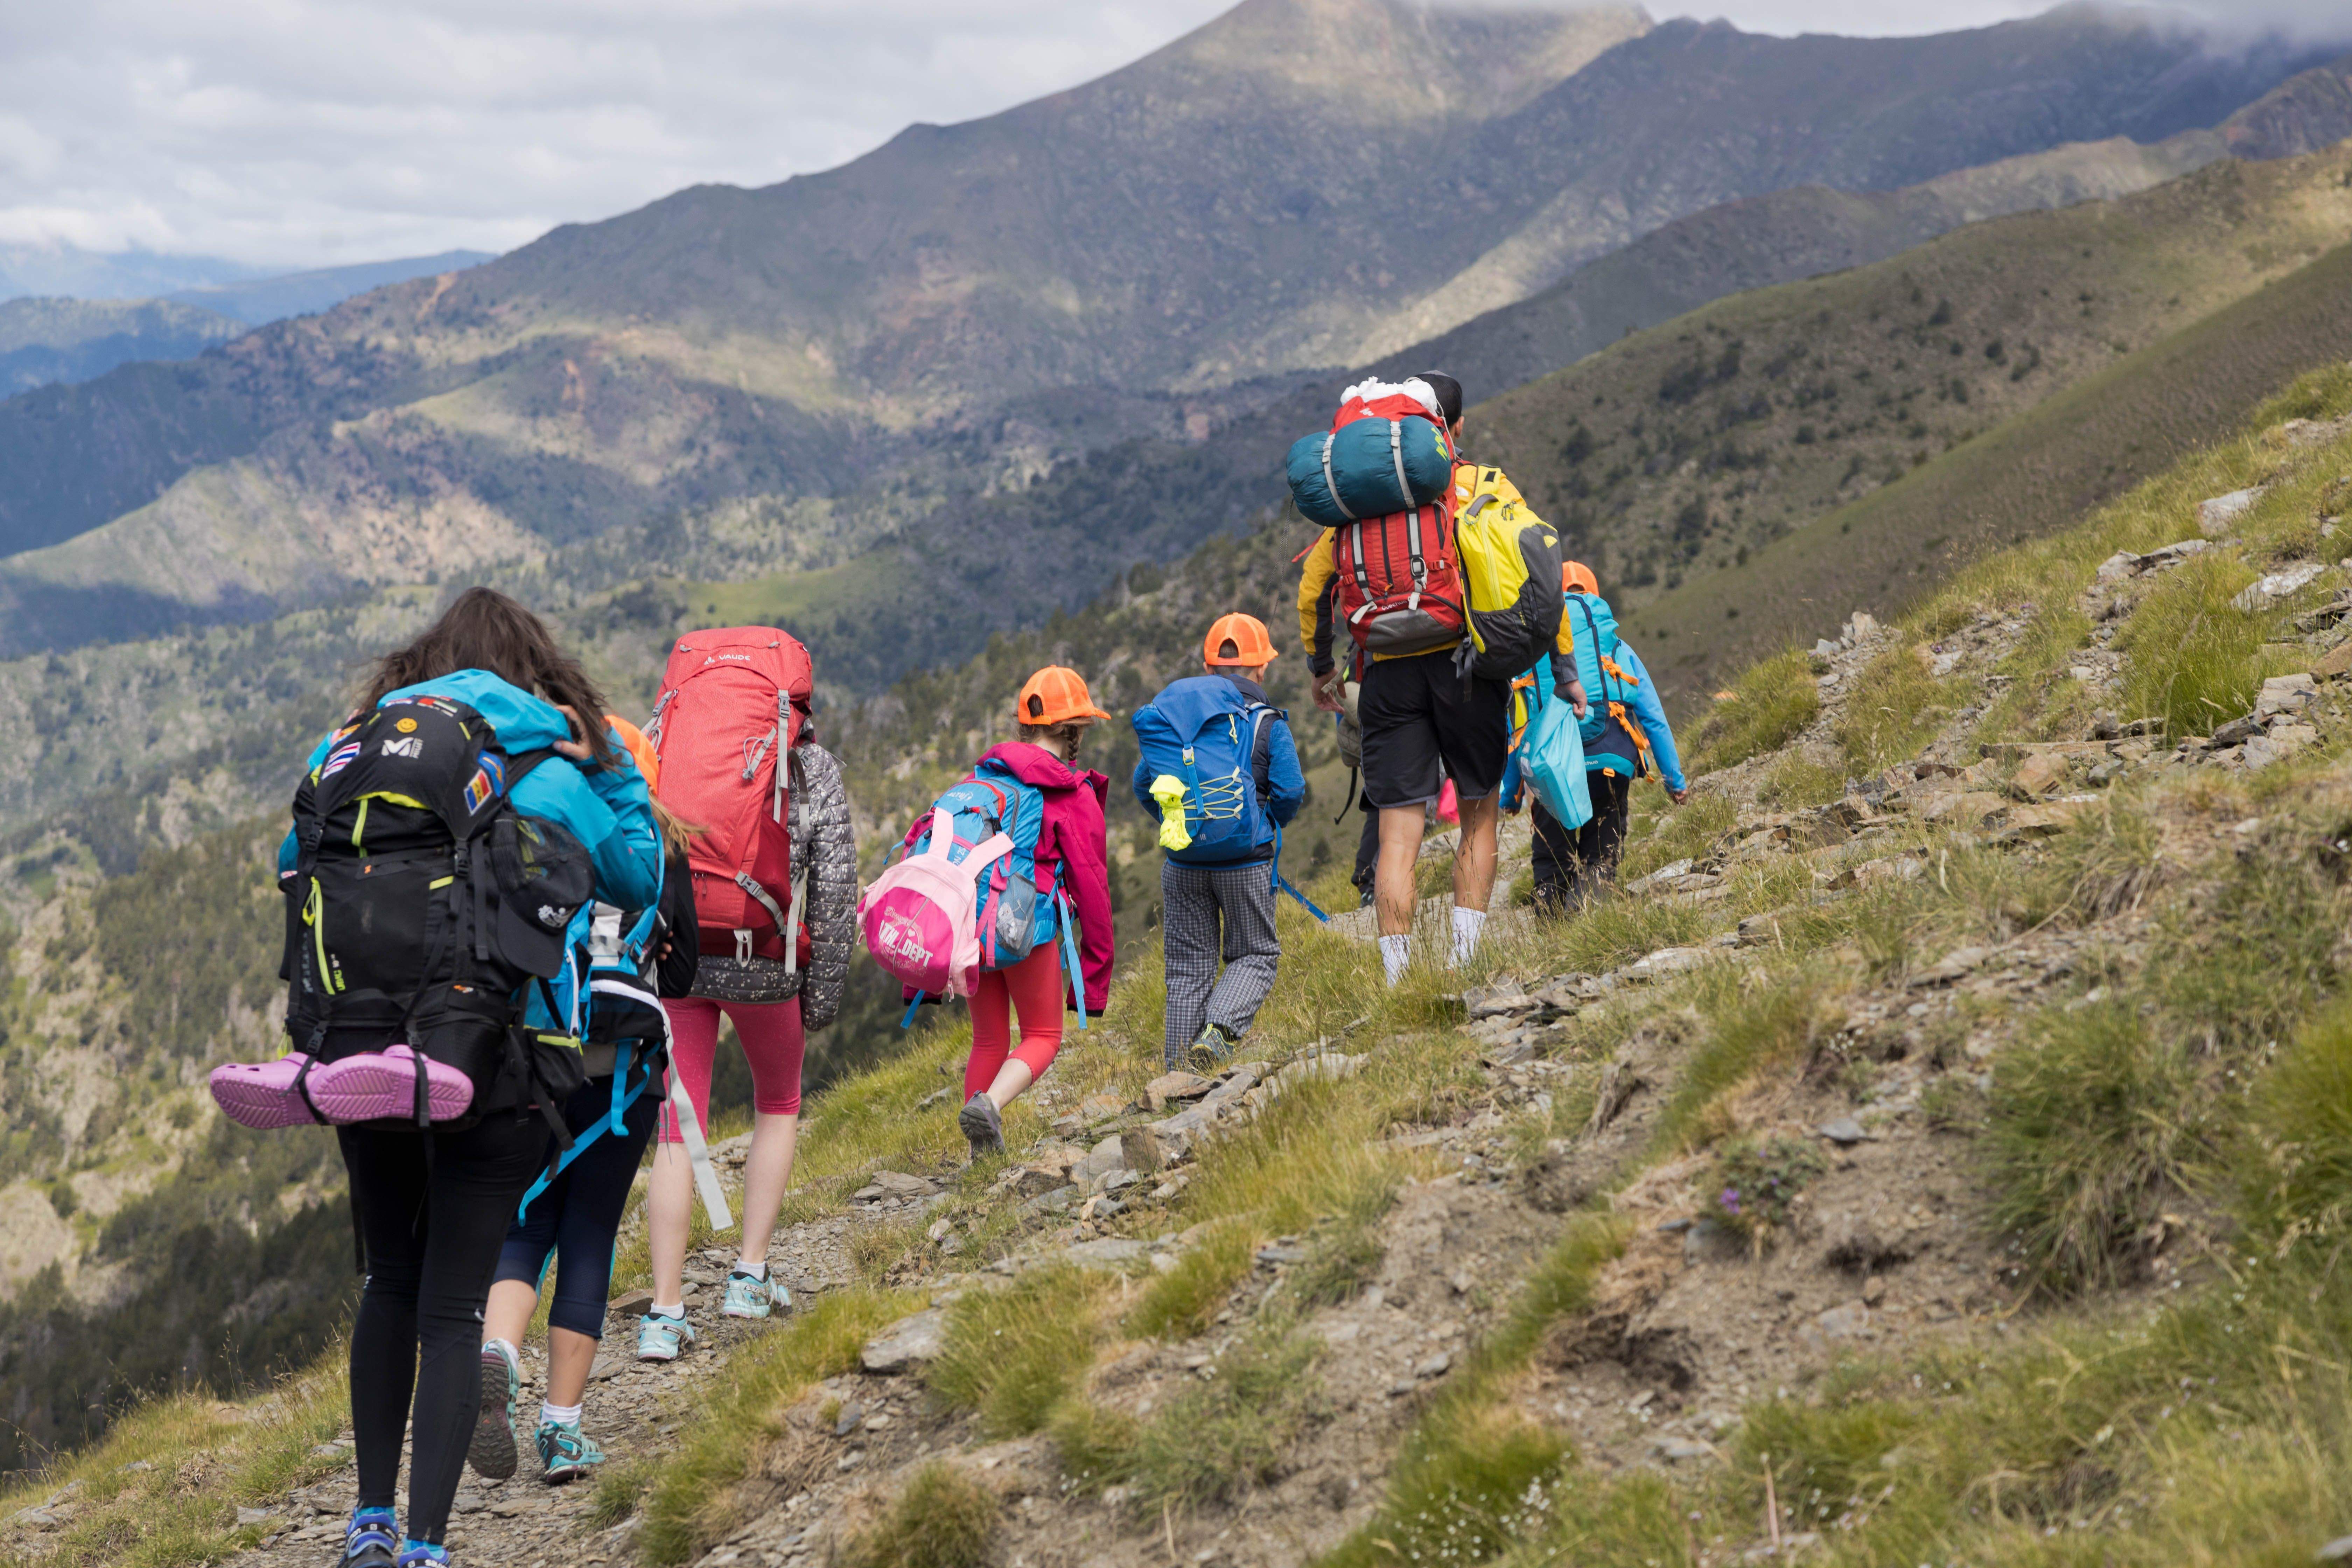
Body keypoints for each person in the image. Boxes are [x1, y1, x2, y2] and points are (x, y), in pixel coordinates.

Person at [286, 588, 661, 1568]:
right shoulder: (546, 762)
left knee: (391, 1282)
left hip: (367, 1052)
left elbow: (294, 859)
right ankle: (426, 1545)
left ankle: (367, 1521)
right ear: (532, 671)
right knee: (455, 1307)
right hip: (507, 1063)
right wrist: (612, 769)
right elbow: (637, 882)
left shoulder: (362, 750)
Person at [1300, 370, 1580, 985]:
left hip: (1385, 677)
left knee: (1398, 835)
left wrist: (1323, 668)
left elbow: (1313, 590)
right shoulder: (1478, 483)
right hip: (1466, 669)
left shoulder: (1358, 507)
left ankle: (1400, 981)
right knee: (1478, 816)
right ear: (1453, 428)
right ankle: (1463, 962)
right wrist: (1563, 668)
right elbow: (1538, 567)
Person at [473, 751, 699, 1486]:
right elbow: (689, 972)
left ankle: (499, 1354)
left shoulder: (536, 832)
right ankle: (562, 1429)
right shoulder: (661, 847)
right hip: (622, 1075)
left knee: (524, 1223)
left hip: (539, 1061)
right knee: (590, 1231)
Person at [636, 709, 856, 1358]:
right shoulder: (810, 765)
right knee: (780, 1103)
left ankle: (665, 1313)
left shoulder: (669, 744)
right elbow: (836, 890)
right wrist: (820, 998)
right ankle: (749, 1276)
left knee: (679, 1129)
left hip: (680, 956)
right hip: (766, 959)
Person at [941, 666, 1114, 1157]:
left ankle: (979, 1158)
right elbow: (1093, 885)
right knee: (1042, 1035)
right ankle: (991, 1106)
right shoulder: (1069, 793)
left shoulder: (981, 779)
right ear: (1072, 730)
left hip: (972, 929)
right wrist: (1097, 971)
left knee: (989, 1041)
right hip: (1026, 931)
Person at [1132, 614, 1305, 1072]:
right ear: (1262, 669)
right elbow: (1290, 792)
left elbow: (1142, 784)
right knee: (1256, 954)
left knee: (1188, 968)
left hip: (1183, 863)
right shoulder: (1267, 724)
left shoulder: (1177, 724)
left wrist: (1181, 824)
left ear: (1208, 669)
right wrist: (1262, 825)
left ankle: (1176, 1076)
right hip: (1246, 862)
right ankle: (1219, 1032)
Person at [1531, 561, 1686, 911]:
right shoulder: (1618, 647)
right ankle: (1588, 913)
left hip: (1554, 767)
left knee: (1551, 857)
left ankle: (1550, 919)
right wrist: (1675, 781)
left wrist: (1511, 793)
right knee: (1601, 851)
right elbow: (1654, 718)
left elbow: (1519, 725)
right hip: (1611, 759)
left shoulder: (1537, 651)